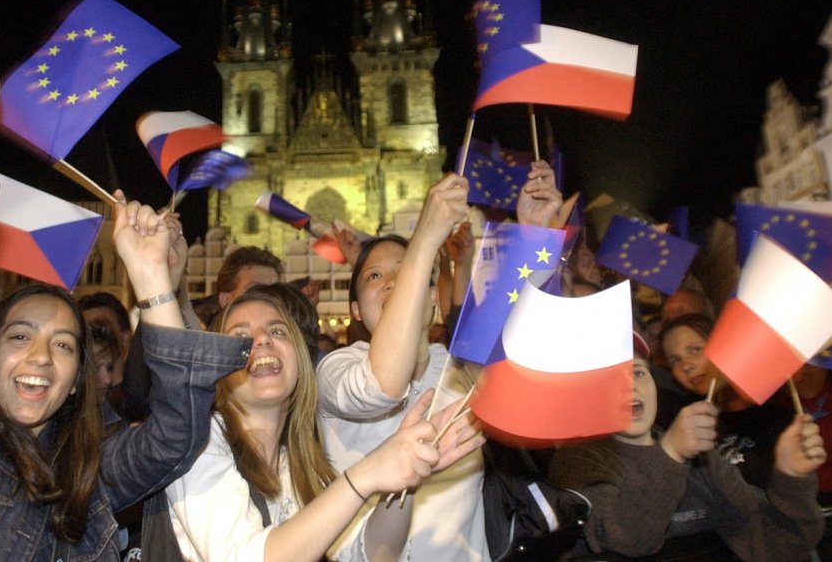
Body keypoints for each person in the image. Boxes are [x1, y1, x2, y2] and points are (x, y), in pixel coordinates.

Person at [0, 25, 251, 560]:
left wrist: (151, 280)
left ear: (79, 379)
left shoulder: (87, 471)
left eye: (63, 345)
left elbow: (176, 433)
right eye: (21, 334)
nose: (41, 356)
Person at [164, 286, 484, 561]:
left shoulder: (303, 464)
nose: (261, 339)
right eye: (241, 335)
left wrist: (408, 480)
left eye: (277, 331)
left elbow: (367, 555)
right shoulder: (199, 442)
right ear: (218, 366)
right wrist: (368, 472)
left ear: (300, 361)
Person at [317, 173, 490, 560]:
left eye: (406, 269)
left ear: (431, 296)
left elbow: (530, 393)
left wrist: (541, 236)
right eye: (375, 276)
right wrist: (424, 243)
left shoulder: (460, 369)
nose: (395, 282)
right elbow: (381, 386)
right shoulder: (336, 369)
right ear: (356, 310)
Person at [549, 335, 825, 560]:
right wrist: (671, 453)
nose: (629, 386)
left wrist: (791, 479)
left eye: (638, 372)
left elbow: (781, 548)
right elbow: (626, 541)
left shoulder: (703, 458)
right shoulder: (578, 461)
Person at [123, 244, 281, 421]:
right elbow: (137, 393)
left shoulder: (286, 352)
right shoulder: (201, 362)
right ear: (226, 300)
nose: (268, 301)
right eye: (255, 290)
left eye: (276, 292)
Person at [659, 312, 794, 488]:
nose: (686, 365)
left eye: (695, 349)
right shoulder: (683, 419)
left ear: (724, 346)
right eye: (675, 360)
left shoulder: (780, 415)